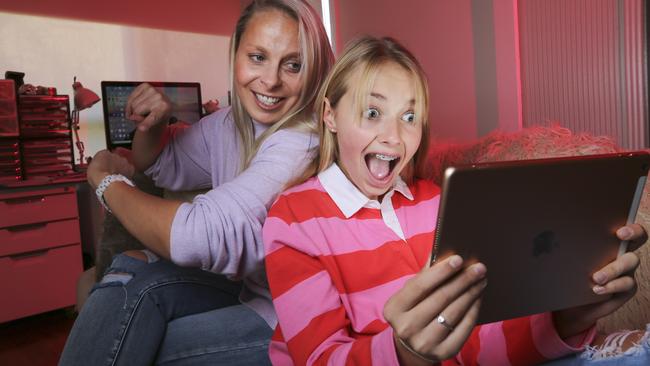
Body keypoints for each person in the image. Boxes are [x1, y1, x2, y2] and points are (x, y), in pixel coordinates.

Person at [262, 36, 648, 365]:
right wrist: (405, 353)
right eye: (373, 112)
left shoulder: (435, 202)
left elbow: (476, 341)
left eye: (409, 116)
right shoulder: (292, 220)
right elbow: (320, 358)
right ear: (330, 115)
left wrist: (566, 320)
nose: (394, 137)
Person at [59, 1, 333, 365]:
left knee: (142, 342)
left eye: (293, 64)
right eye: (257, 57)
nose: (270, 80)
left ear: (313, 70)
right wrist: (153, 125)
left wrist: (103, 180)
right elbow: (156, 161)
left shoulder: (304, 140)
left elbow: (196, 235)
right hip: (252, 288)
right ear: (235, 52)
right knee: (127, 272)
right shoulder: (229, 124)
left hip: (293, 315)